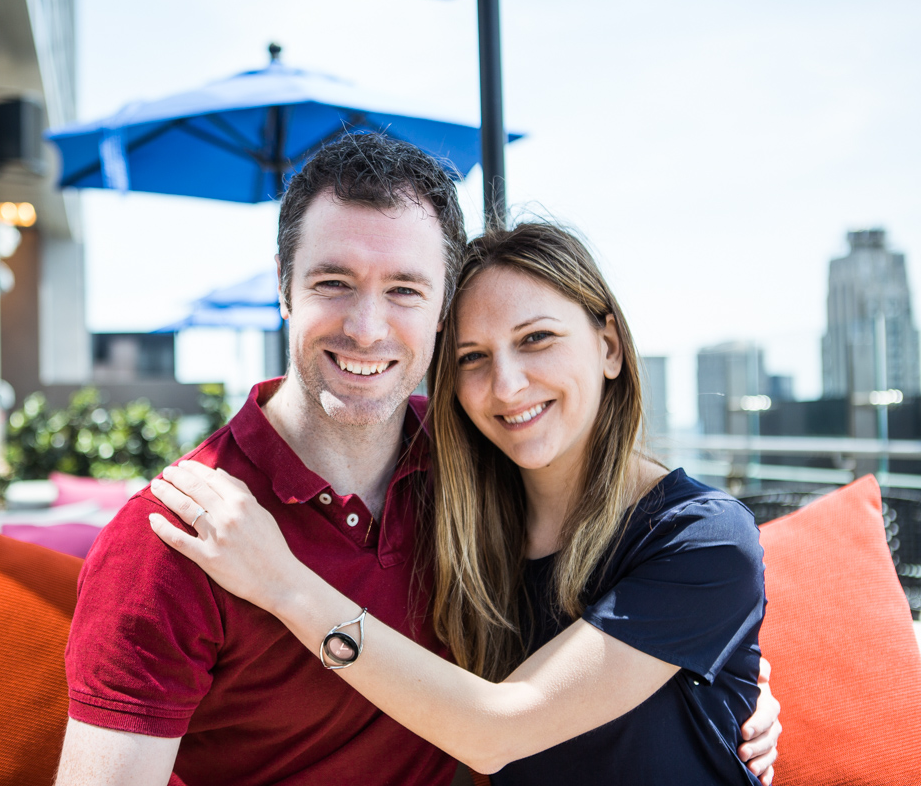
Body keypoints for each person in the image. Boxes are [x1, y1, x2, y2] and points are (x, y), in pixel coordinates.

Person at [56, 133, 780, 785]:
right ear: (284, 284)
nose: (367, 328)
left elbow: (516, 713)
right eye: (332, 282)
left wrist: (726, 679)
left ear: (439, 306)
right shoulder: (181, 535)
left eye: (404, 289)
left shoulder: (469, 467)